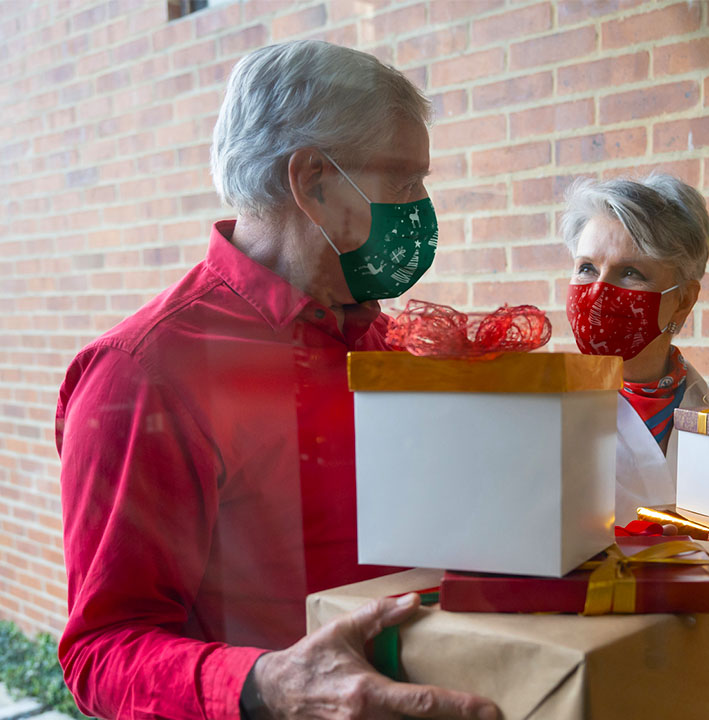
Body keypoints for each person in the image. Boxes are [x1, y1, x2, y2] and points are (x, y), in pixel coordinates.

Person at [55, 40, 497, 720]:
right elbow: (102, 652)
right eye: (404, 181)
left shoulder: (389, 346)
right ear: (314, 181)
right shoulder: (144, 375)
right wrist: (269, 686)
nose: (420, 208)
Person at [560, 175, 709, 524]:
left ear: (683, 301)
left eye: (630, 272)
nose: (598, 291)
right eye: (587, 268)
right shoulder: (541, 416)